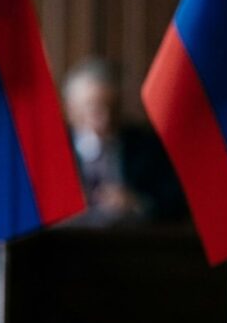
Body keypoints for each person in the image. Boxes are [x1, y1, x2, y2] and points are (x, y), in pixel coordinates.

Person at [62, 58, 185, 225]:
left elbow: (174, 199)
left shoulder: (146, 146)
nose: (105, 118)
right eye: (94, 108)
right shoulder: (53, 151)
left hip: (130, 237)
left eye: (112, 108)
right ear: (70, 109)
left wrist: (137, 202)